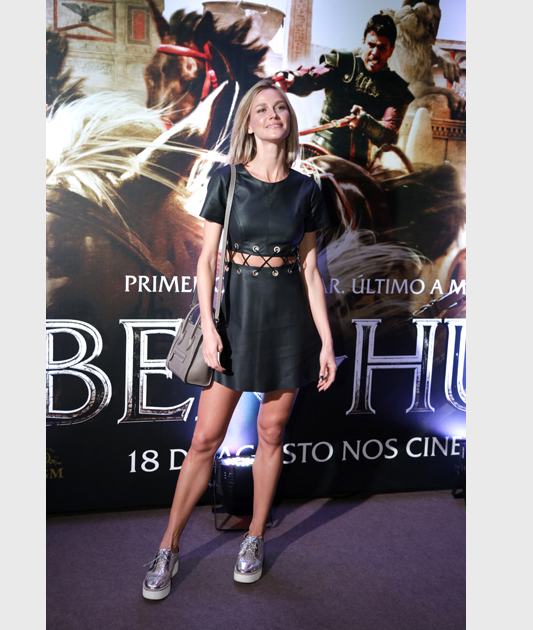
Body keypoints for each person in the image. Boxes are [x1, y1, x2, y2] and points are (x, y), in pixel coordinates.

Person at [142, 79, 337, 600]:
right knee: (205, 440)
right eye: (263, 109)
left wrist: (324, 342)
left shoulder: (307, 189)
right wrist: (209, 327)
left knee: (271, 435)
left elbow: (311, 272)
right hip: (235, 324)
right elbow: (207, 261)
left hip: (290, 325)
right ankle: (168, 546)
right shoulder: (227, 180)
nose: (273, 115)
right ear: (249, 122)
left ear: (289, 121)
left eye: (281, 108)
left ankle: (254, 537)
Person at [273, 13, 414, 169]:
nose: (375, 52)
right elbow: (313, 78)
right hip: (320, 154)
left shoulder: (395, 87)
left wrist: (365, 122)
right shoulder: (343, 63)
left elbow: (389, 136)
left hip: (357, 166)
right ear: (363, 42)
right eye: (371, 45)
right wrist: (294, 79)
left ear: (391, 50)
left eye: (382, 47)